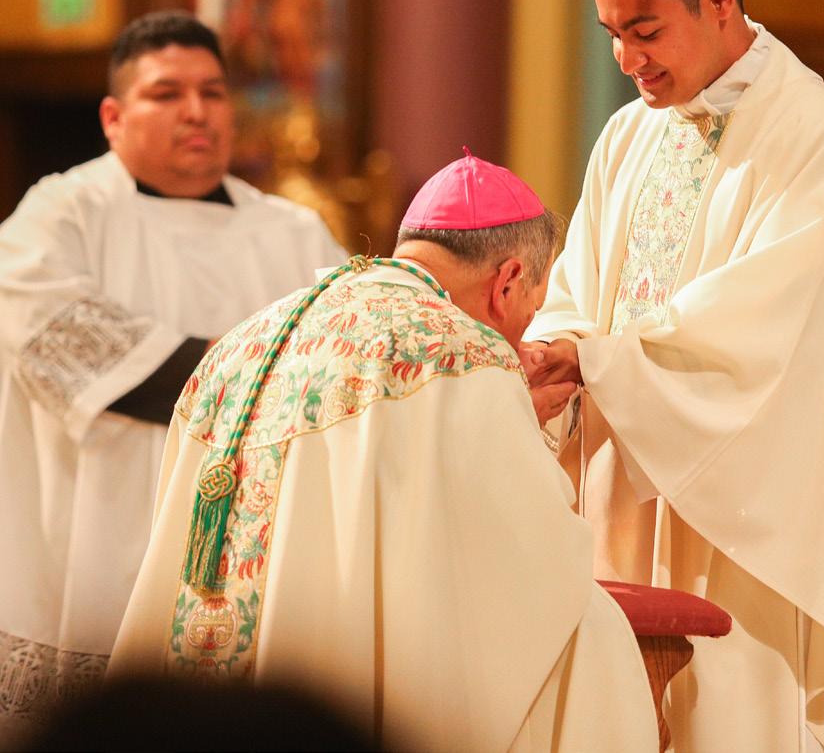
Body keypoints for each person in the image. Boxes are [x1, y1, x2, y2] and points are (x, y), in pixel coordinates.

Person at [521, 0, 824, 752]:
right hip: (622, 516)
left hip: (747, 542)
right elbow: (579, 293)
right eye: (612, 35)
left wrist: (603, 362)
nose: (627, 61)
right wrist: (556, 349)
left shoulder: (819, 143)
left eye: (645, 31)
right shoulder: (629, 138)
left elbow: (769, 340)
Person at [109, 151, 658, 753]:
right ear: (506, 282)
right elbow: (531, 560)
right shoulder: (463, 351)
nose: (520, 337)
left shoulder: (247, 338)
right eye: (529, 312)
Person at [0, 11, 346, 739]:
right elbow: (64, 341)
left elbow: (349, 359)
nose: (196, 111)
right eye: (166, 93)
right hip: (93, 537)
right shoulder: (60, 214)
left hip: (253, 554)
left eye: (213, 92)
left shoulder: (292, 232)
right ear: (113, 117)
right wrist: (261, 372)